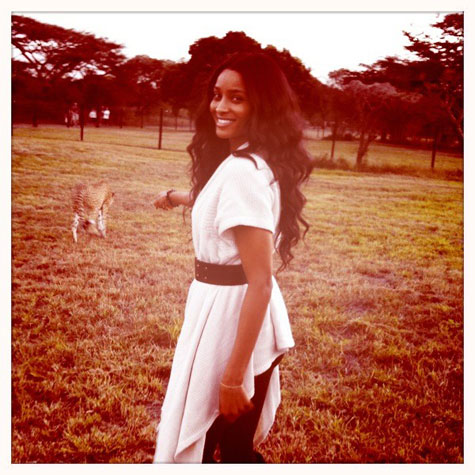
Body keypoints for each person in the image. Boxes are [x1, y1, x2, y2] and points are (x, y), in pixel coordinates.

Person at [152, 52, 312, 463]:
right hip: (235, 312)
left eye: (236, 98)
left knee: (204, 448)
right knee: (236, 450)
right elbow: (222, 206)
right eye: (217, 95)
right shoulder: (252, 160)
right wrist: (175, 197)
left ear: (262, 106)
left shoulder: (243, 171)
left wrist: (232, 377)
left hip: (232, 316)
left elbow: (261, 282)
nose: (220, 107)